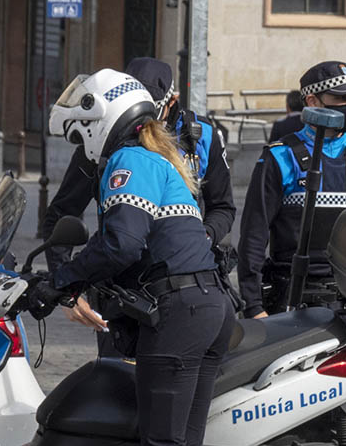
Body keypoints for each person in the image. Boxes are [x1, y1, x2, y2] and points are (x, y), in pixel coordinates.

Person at [36, 69, 234, 446]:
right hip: (206, 307)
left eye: (81, 133)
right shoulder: (160, 161)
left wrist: (59, 280)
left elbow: (122, 244)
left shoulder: (130, 163)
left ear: (102, 122)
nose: (80, 145)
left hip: (178, 314)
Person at [40, 57, 236, 345]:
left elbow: (223, 207)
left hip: (181, 282)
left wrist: (203, 236)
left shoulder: (202, 136)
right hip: (121, 288)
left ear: (172, 102)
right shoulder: (105, 136)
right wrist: (65, 288)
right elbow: (62, 212)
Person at [237, 60, 346, 348]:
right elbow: (253, 234)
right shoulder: (280, 157)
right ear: (312, 100)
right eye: (340, 98)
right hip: (290, 304)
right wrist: (253, 305)